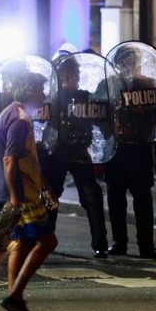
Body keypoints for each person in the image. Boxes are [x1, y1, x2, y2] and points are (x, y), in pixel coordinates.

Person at [0, 72, 57, 311]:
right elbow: (10, 160)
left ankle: (14, 305)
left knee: (23, 244)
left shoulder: (11, 113)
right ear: (29, 92)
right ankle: (15, 296)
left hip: (23, 193)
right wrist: (16, 199)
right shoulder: (20, 119)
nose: (43, 95)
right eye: (40, 90)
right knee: (48, 241)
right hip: (24, 196)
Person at [42, 55, 110, 258]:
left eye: (72, 73)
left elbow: (101, 120)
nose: (69, 76)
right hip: (57, 152)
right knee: (51, 197)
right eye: (65, 73)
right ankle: (45, 240)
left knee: (92, 197)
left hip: (81, 151)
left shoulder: (86, 97)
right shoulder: (53, 99)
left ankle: (100, 244)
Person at [102, 49, 156, 259]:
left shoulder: (147, 84)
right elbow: (99, 111)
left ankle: (146, 244)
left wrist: (144, 123)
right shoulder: (107, 84)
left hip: (139, 147)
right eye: (123, 61)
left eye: (131, 61)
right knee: (116, 198)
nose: (128, 65)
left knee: (142, 198)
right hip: (116, 150)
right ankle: (119, 242)